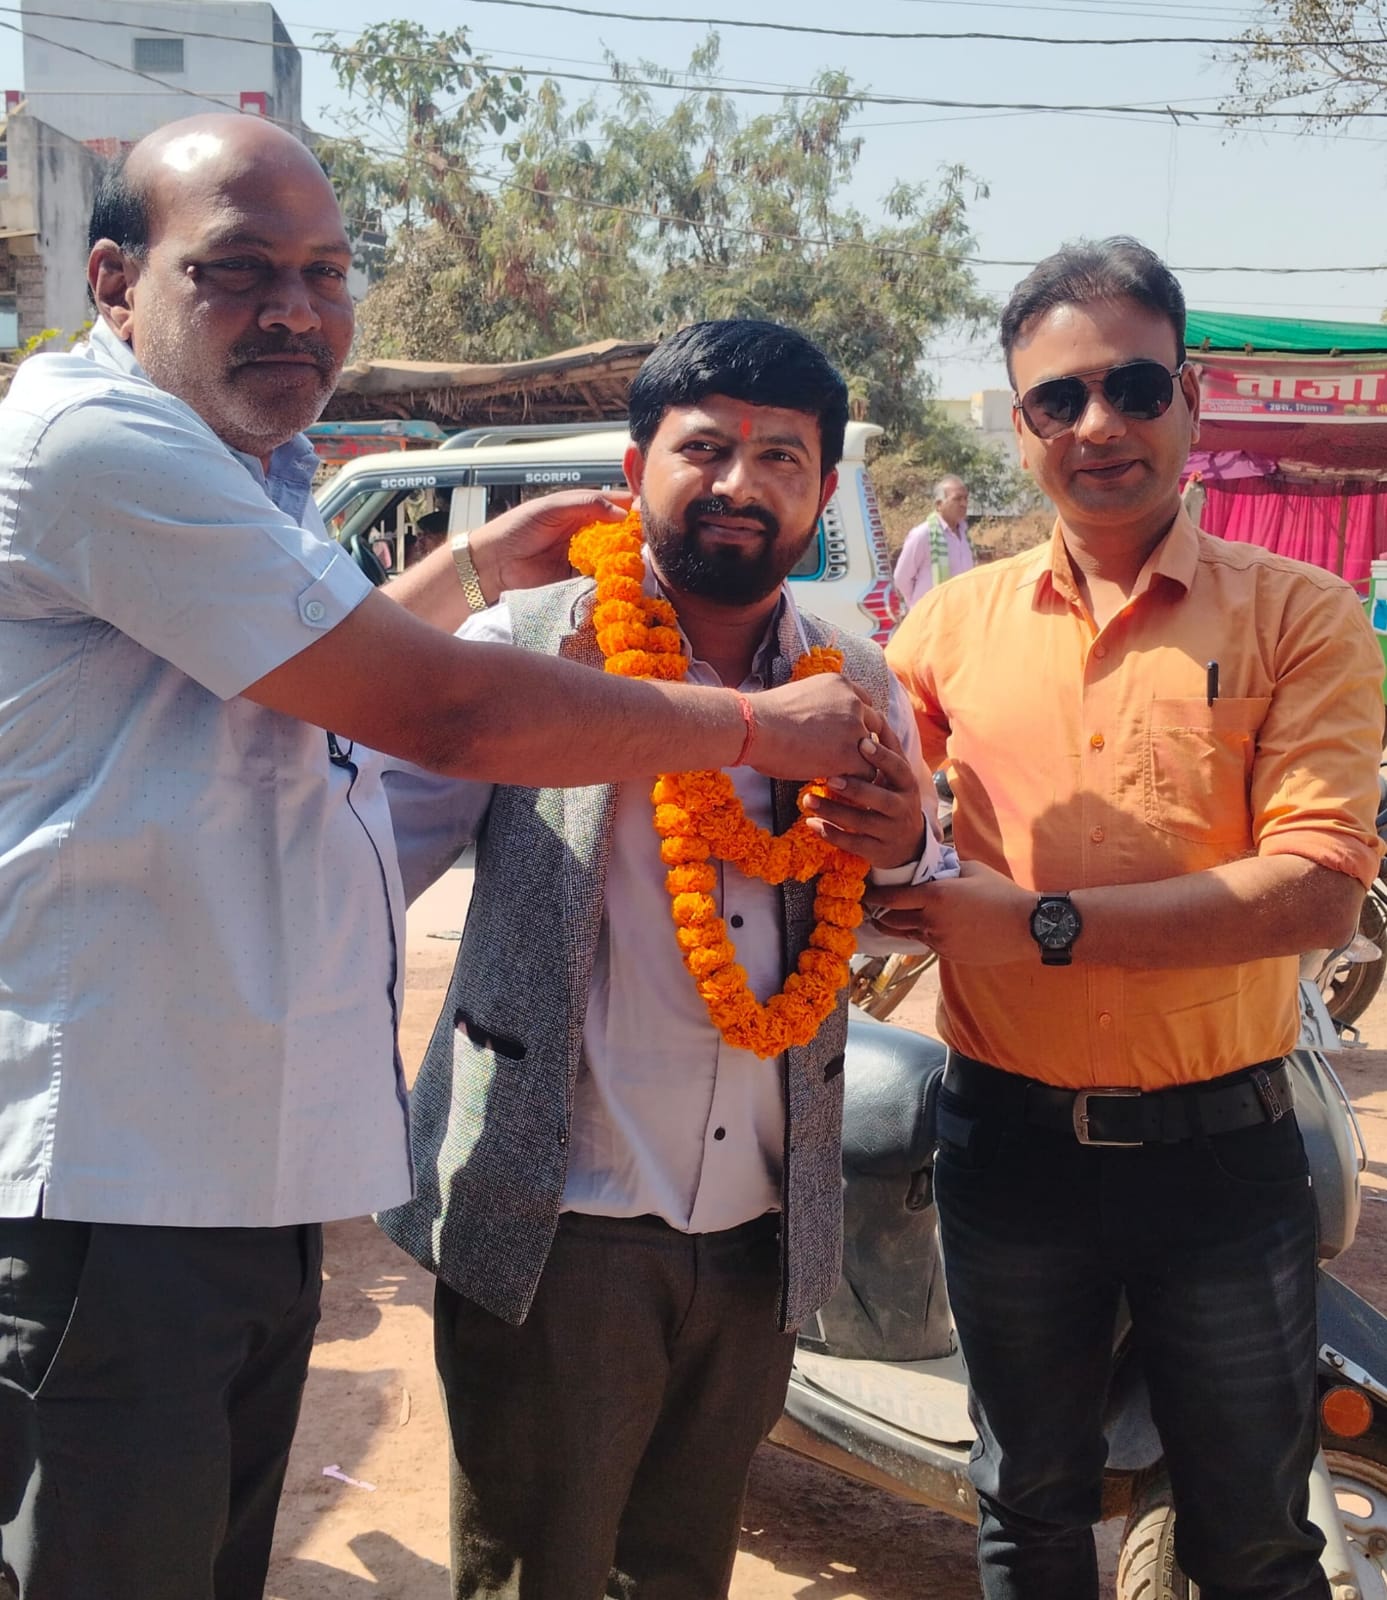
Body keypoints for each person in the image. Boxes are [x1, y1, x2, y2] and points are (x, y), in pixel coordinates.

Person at [0, 119, 884, 1600]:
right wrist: (745, 727)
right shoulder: (106, 442)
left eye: (326, 272)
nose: (295, 309)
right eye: (237, 269)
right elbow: (438, 719)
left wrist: (468, 566)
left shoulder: (846, 672)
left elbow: (289, 697)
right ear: (113, 280)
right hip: (130, 1178)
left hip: (249, 1177)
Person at [377, 320, 951, 1599]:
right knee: (534, 1575)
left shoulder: (856, 682)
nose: (741, 484)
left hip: (760, 1230)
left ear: (821, 488)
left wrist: (907, 844)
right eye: (705, 449)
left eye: (781, 457)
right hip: (557, 1219)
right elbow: (359, 855)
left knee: (683, 1572)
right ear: (636, 469)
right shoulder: (525, 647)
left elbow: (892, 904)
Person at [877, 237, 1384, 1600]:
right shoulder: (946, 630)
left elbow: (1317, 889)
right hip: (1008, 1151)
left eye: (1132, 386)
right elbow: (854, 802)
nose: (1096, 424)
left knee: (1254, 1535)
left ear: (1188, 400)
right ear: (1019, 427)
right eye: (1057, 399)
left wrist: (1033, 924)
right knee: (1024, 1508)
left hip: (1221, 1157)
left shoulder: (1300, 617)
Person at [893, 473, 972, 610]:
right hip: (931, 613)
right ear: (939, 505)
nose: (964, 504)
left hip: (961, 612)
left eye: (965, 498)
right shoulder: (923, 535)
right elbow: (901, 578)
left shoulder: (965, 535)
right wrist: (918, 604)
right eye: (957, 499)